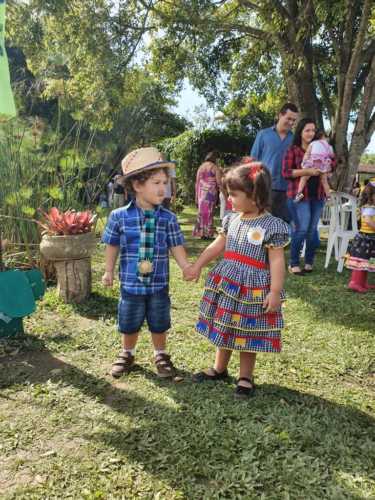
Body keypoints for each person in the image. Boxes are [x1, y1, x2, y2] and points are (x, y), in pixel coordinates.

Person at [184, 162, 289, 398]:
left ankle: (245, 377)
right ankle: (219, 368)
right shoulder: (231, 219)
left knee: (246, 331)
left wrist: (275, 291)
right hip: (229, 283)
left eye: (233, 194)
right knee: (225, 324)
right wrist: (197, 265)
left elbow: (276, 262)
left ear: (254, 195)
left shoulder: (272, 225)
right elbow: (216, 246)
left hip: (252, 288)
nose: (229, 199)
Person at [102, 147, 191, 379]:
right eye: (156, 182)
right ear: (137, 185)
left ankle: (161, 354)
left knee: (159, 321)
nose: (164, 188)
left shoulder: (168, 218)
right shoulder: (119, 216)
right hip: (130, 284)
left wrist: (185, 267)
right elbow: (112, 245)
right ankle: (127, 353)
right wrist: (108, 271)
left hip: (158, 284)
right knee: (129, 320)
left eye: (165, 182)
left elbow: (176, 245)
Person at [282, 118, 333, 275]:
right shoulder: (293, 150)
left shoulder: (320, 147)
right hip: (298, 196)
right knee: (302, 229)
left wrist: (327, 165)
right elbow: (286, 172)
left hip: (317, 195)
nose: (311, 133)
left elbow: (332, 163)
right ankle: (294, 263)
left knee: (311, 230)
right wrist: (307, 172)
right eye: (307, 130)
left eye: (313, 130)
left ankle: (309, 262)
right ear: (300, 132)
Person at [251, 103, 298, 222]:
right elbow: (253, 161)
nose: (291, 123)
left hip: (287, 191)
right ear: (280, 115)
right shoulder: (263, 135)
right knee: (262, 223)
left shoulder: (295, 140)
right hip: (266, 188)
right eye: (289, 118)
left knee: (284, 226)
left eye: (294, 120)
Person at [345, 181, 375, 292]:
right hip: (366, 239)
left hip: (371, 240)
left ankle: (362, 282)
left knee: (365, 263)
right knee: (360, 262)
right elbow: (367, 221)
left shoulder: (372, 207)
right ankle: (354, 283)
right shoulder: (369, 207)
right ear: (370, 196)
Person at [295, 130, 335, 202]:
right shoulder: (329, 146)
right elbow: (332, 155)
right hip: (322, 164)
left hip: (313, 163)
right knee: (324, 181)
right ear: (323, 137)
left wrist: (304, 161)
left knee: (304, 178)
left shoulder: (313, 143)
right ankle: (328, 197)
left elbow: (307, 153)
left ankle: (299, 193)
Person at [193, 151, 222, 239]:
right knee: (209, 212)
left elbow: (197, 183)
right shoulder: (214, 167)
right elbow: (219, 182)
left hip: (201, 193)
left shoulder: (201, 167)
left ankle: (201, 233)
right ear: (215, 158)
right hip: (210, 193)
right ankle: (208, 234)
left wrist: (196, 197)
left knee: (201, 213)